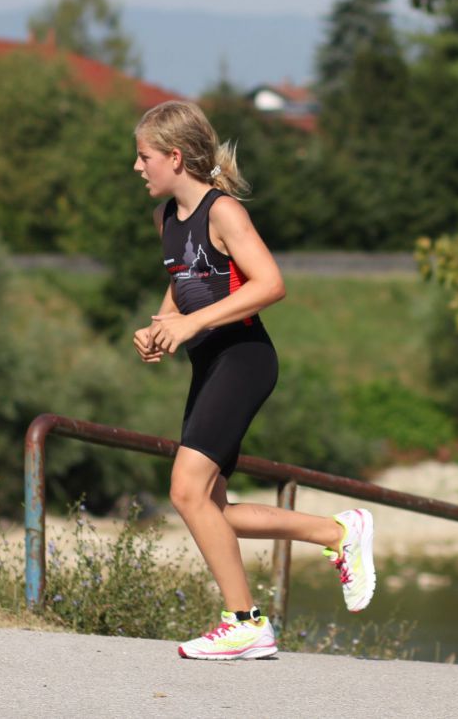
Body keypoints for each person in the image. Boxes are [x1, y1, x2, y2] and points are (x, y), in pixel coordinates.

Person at [132, 100, 376, 660]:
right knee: (212, 509)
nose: (138, 168)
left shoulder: (224, 213)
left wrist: (191, 322)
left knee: (184, 491)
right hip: (208, 361)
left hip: (244, 358)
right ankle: (339, 534)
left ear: (174, 156)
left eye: (144, 157)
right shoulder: (166, 218)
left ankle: (245, 622)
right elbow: (185, 282)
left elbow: (270, 284)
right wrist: (159, 326)